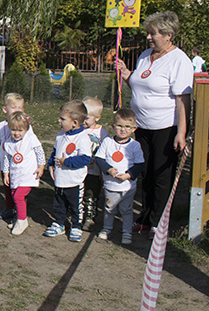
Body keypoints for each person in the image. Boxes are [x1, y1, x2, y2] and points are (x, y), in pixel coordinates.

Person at [115, 11, 193, 239]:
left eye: (153, 33)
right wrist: (127, 74)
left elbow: (182, 99)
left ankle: (159, 222)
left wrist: (181, 132)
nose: (149, 37)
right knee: (145, 173)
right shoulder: (145, 55)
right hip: (141, 127)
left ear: (169, 35)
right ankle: (145, 218)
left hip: (165, 128)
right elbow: (140, 86)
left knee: (161, 176)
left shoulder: (179, 60)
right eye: (148, 33)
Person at [44, 100, 92, 242]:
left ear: (75, 123)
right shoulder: (60, 136)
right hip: (60, 179)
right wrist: (51, 164)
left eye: (63, 119)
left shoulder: (83, 138)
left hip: (74, 181)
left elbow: (85, 159)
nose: (59, 121)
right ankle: (59, 223)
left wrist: (67, 162)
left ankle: (76, 226)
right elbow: (55, 152)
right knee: (59, 202)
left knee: (75, 205)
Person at [95, 108, 145, 245]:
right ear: (113, 126)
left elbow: (140, 165)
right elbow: (99, 159)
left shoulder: (135, 146)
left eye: (127, 127)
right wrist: (109, 170)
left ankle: (127, 232)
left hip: (127, 187)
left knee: (126, 210)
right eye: (119, 126)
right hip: (110, 185)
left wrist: (128, 175)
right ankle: (106, 229)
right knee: (109, 208)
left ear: (134, 129)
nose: (123, 130)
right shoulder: (107, 142)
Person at [1, 112, 44, 235]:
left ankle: (22, 220)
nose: (16, 133)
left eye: (20, 130)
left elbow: (39, 152)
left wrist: (41, 167)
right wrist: (6, 173)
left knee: (18, 196)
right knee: (16, 196)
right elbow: (7, 159)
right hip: (16, 175)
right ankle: (19, 217)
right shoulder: (8, 142)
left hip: (28, 175)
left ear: (26, 129)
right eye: (13, 130)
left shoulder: (31, 139)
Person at [0, 92, 27, 221]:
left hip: (19, 164)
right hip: (5, 164)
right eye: (14, 107)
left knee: (18, 188)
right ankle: (9, 208)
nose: (17, 110)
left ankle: (20, 211)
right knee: (7, 187)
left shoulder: (25, 126)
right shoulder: (1, 126)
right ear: (5, 109)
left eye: (20, 108)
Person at [81, 97, 108, 230]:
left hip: (94, 171)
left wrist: (104, 171)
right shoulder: (78, 130)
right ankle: (78, 214)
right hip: (79, 170)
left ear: (97, 117)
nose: (83, 121)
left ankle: (90, 218)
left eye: (87, 118)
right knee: (79, 193)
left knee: (91, 194)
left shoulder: (103, 134)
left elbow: (106, 154)